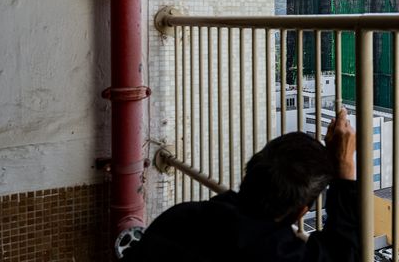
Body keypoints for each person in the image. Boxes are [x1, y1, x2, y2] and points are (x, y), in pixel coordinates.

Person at [123, 107, 359, 262]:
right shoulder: (273, 254)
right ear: (301, 212)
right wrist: (345, 169)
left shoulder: (180, 218)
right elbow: (343, 253)